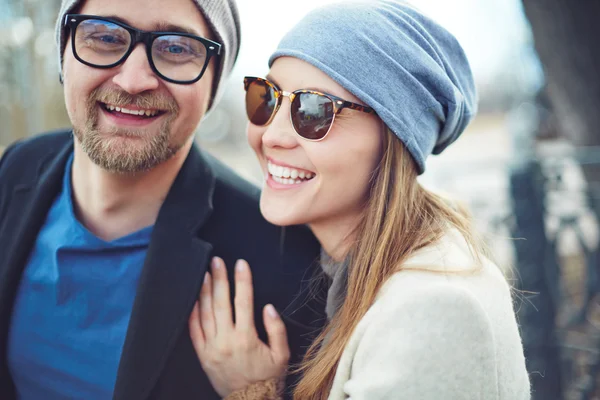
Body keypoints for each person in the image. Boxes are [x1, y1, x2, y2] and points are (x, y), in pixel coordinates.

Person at [188, 1, 531, 399]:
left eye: (314, 110)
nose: (271, 135)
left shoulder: (431, 308)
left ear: (394, 137)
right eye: (267, 98)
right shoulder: (365, 271)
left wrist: (251, 391)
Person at [0, 0, 326, 399]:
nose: (134, 80)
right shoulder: (16, 168)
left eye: (175, 48)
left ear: (213, 83)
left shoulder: (283, 256)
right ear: (64, 52)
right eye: (104, 37)